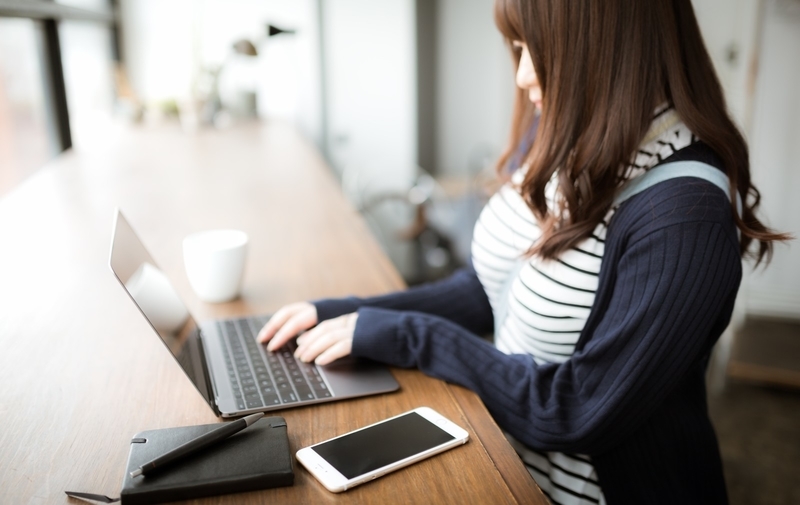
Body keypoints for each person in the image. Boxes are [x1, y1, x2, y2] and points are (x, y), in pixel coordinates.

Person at [259, 0, 789, 503]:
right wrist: (351, 315)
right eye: (518, 47)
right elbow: (487, 288)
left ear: (611, 45)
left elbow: (578, 410)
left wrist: (406, 335)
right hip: (503, 451)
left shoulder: (684, 216)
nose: (523, 75)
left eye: (539, 48)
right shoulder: (570, 127)